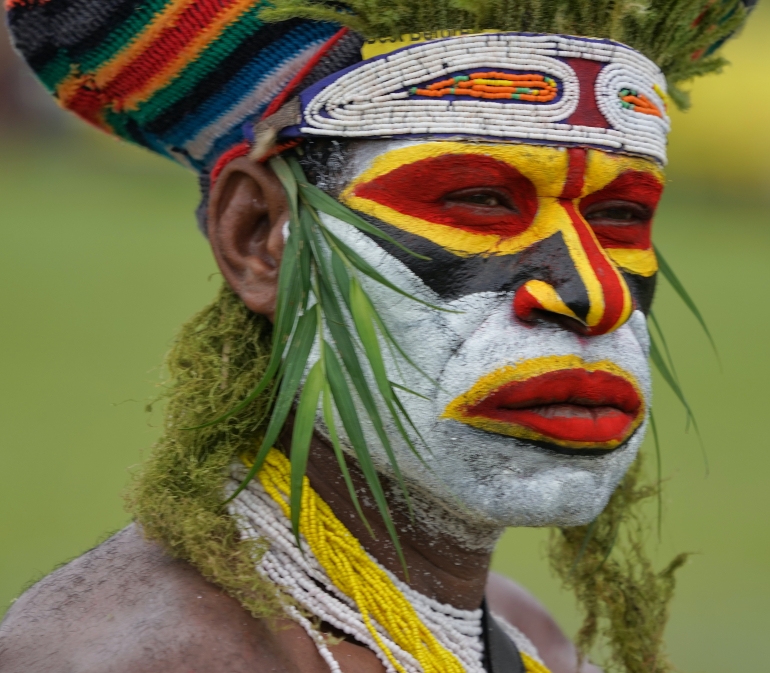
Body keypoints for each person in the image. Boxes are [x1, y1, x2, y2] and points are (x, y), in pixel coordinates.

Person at [0, 1, 756, 672]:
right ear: (262, 237)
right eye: (479, 200)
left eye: (620, 217)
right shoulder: (138, 656)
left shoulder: (530, 641)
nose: (595, 295)